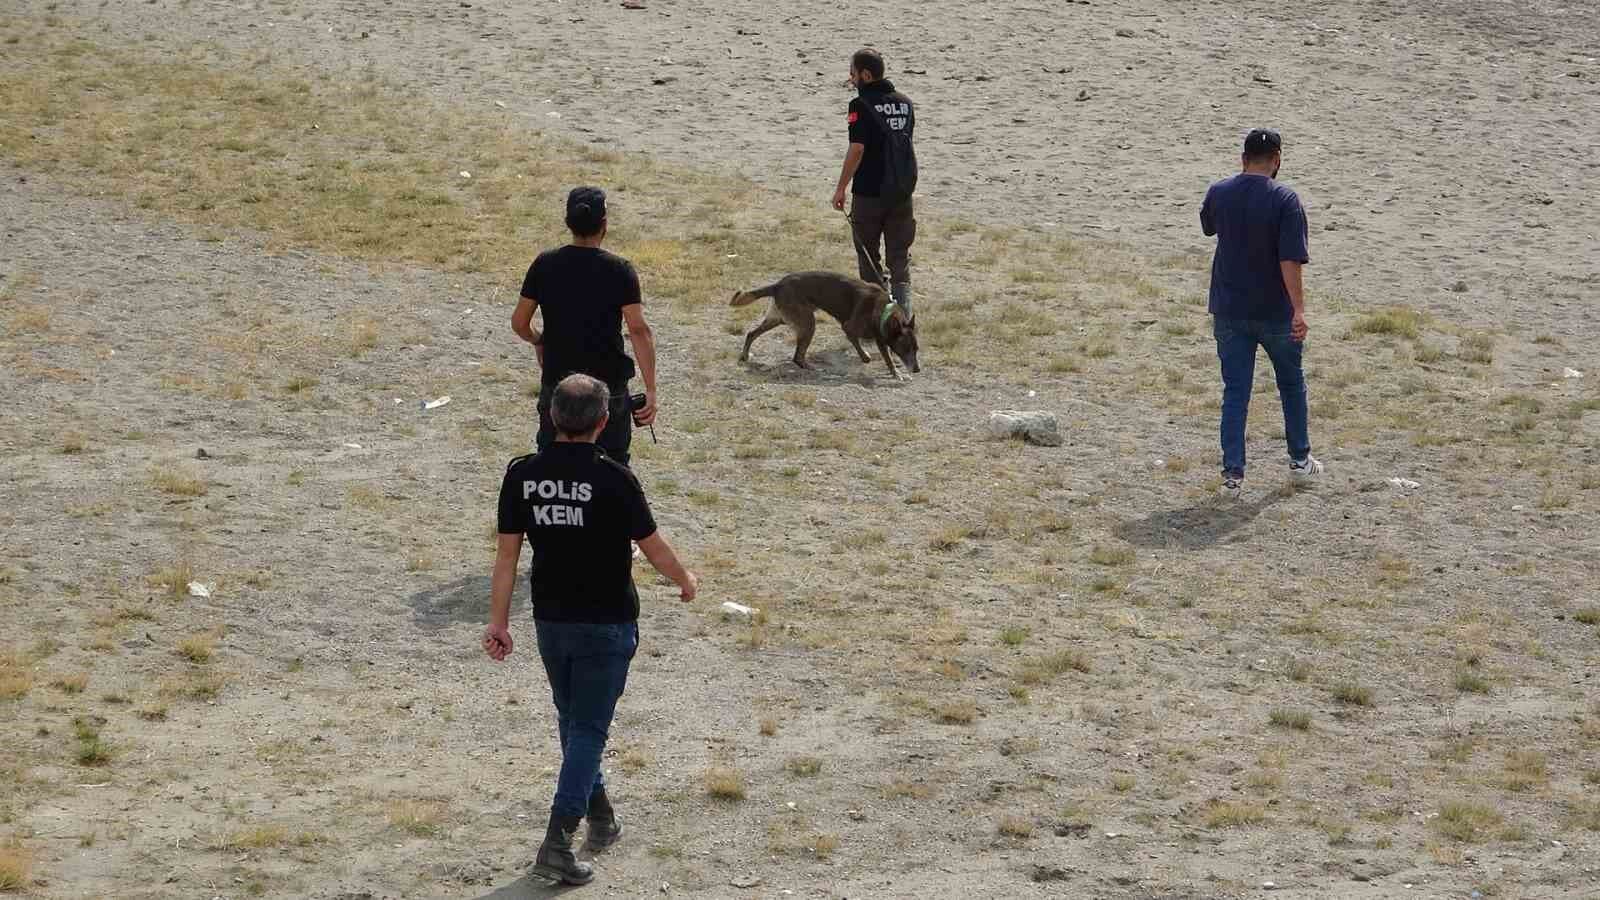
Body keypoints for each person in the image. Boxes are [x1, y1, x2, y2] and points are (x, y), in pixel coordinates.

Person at [484, 373, 698, 886]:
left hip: (551, 620)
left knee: (574, 719)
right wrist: (685, 579)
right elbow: (653, 546)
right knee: (587, 729)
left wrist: (496, 621)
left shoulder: (522, 475)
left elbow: (506, 557)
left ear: (551, 417)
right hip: (606, 619)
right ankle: (557, 841)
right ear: (604, 422)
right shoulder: (615, 478)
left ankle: (600, 817)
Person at [1200, 128, 1325, 499]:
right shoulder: (1285, 199)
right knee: (1290, 383)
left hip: (1229, 309)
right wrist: (1299, 310)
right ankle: (1300, 460)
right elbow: (1290, 259)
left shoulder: (1219, 192)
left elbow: (1209, 227)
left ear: (1243, 158)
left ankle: (1233, 475)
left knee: (1236, 391)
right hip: (1274, 312)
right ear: (1277, 161)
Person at [512, 186, 658, 467]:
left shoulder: (545, 264)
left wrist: (538, 340)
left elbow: (519, 323)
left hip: (558, 386)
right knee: (611, 467)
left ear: (568, 222)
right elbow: (639, 330)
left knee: (552, 462)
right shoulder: (620, 270)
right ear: (604, 225)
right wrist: (650, 389)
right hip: (608, 387)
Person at [831, 47, 918, 313]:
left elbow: (857, 149)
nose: (851, 79)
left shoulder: (860, 105)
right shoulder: (905, 102)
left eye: (853, 74)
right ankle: (902, 314)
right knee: (899, 256)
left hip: (870, 191)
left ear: (866, 75)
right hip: (902, 190)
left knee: (868, 255)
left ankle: (877, 314)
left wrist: (841, 187)